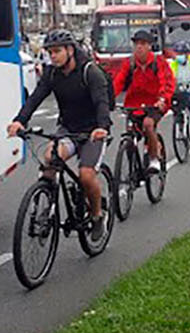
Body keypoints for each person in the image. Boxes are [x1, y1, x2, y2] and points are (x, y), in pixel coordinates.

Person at [9, 29, 113, 238]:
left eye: (57, 51)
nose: (53, 56)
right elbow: (35, 98)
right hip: (69, 128)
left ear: (70, 50)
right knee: (49, 158)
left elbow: (102, 102)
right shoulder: (52, 74)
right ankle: (47, 203)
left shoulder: (89, 71)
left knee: (86, 174)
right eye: (50, 52)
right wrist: (20, 120)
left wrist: (102, 127)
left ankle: (96, 215)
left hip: (93, 131)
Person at [111, 29, 174, 172]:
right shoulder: (130, 63)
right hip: (134, 105)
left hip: (155, 104)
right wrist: (108, 99)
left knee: (148, 124)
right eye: (136, 44)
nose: (139, 47)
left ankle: (154, 159)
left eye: (143, 44)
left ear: (149, 46)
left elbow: (167, 82)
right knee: (130, 133)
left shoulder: (159, 62)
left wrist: (162, 99)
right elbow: (118, 82)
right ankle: (133, 164)